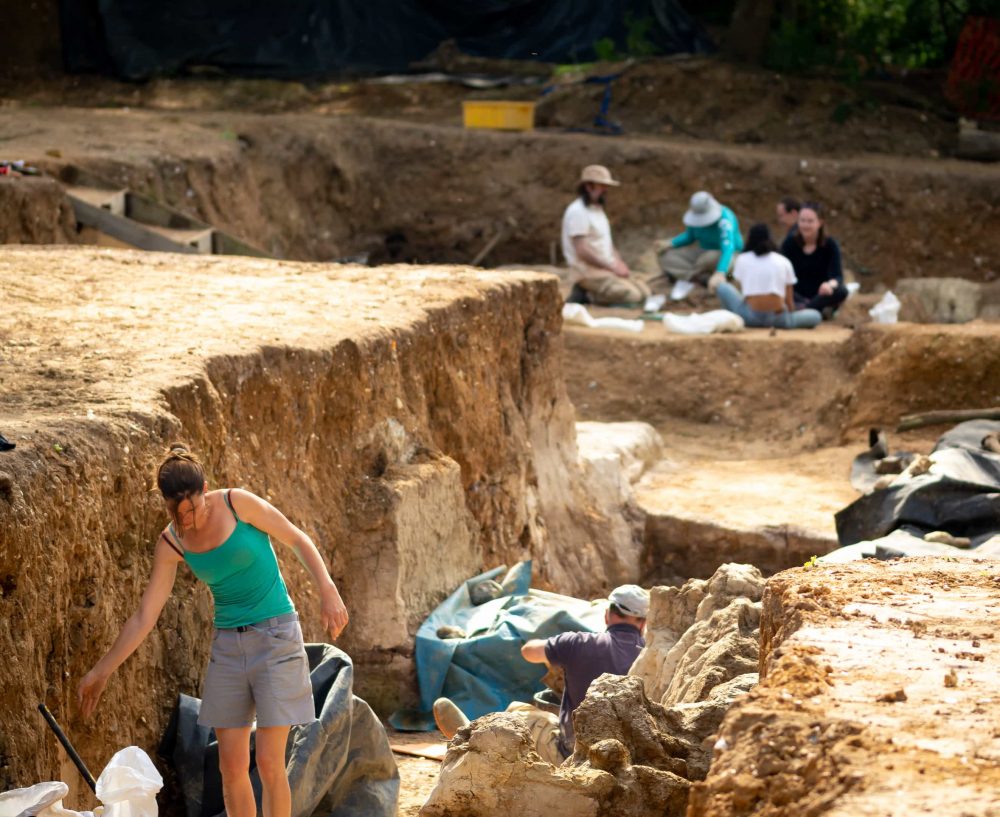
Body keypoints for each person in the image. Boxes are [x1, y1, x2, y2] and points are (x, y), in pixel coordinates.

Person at [78, 445, 349, 817]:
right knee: (231, 767)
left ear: (205, 489)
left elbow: (295, 537)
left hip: (276, 636)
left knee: (270, 764)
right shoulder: (172, 542)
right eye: (177, 511)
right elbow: (144, 616)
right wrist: (100, 671)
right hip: (228, 647)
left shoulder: (238, 504)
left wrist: (327, 589)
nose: (186, 519)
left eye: (192, 507)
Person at [433, 584, 649, 765]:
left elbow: (529, 652)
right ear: (643, 623)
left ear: (607, 615)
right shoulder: (653, 656)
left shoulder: (578, 643)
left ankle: (470, 741)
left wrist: (557, 652)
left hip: (574, 754)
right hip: (630, 760)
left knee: (518, 713)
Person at [561, 165, 651, 306]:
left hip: (605, 269)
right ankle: (589, 295)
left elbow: (606, 242)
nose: (606, 190)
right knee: (631, 296)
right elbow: (582, 250)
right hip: (587, 271)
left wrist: (618, 263)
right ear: (588, 187)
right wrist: (611, 267)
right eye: (602, 186)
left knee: (645, 293)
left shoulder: (597, 210)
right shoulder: (578, 212)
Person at [716, 223, 821, 329]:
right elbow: (789, 298)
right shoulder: (783, 261)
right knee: (815, 316)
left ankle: (730, 319)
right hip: (779, 319)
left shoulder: (743, 259)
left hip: (749, 317)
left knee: (722, 287)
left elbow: (733, 277)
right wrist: (790, 314)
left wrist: (726, 275)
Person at [657, 191, 743, 289]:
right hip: (702, 251)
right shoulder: (695, 219)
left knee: (709, 259)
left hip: (728, 255)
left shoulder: (725, 220)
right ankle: (699, 277)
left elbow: (728, 248)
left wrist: (721, 272)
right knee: (665, 255)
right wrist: (671, 243)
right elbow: (689, 237)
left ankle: (721, 277)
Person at [780, 201, 848, 319]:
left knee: (842, 291)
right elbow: (781, 273)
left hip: (819, 295)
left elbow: (837, 276)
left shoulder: (830, 245)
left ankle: (806, 310)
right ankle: (811, 311)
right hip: (795, 294)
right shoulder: (789, 243)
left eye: (810, 221)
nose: (805, 225)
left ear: (820, 222)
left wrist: (829, 285)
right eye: (802, 220)